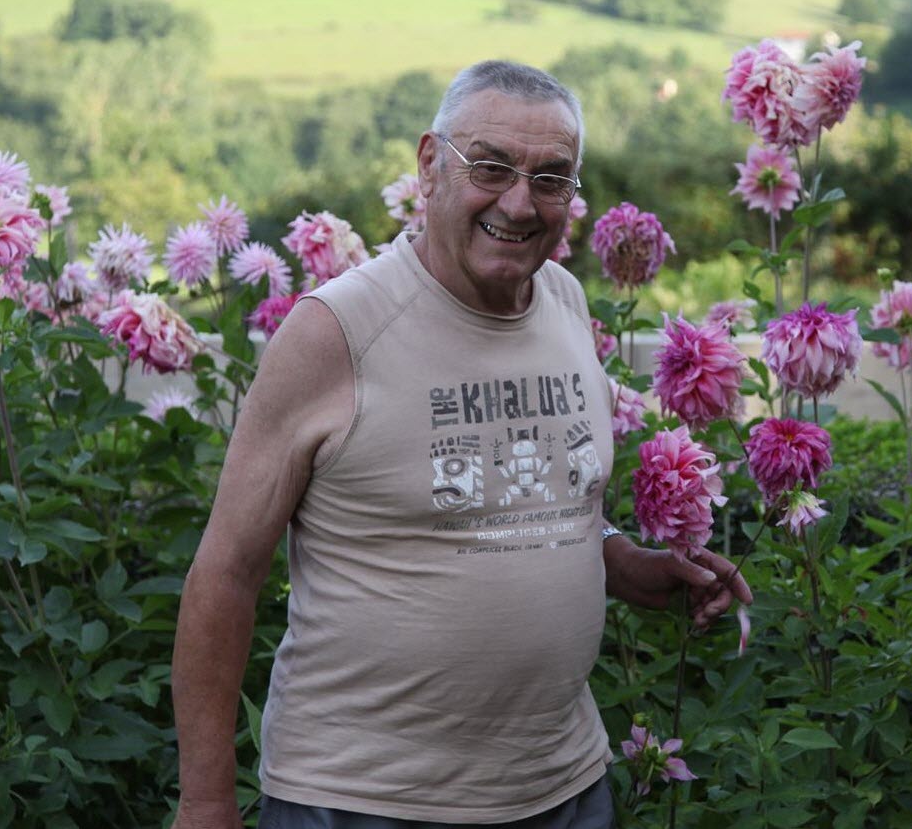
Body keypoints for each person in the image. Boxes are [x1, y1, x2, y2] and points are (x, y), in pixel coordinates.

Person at [170, 60, 752, 829]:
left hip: (565, 788)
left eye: (551, 179)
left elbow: (546, 499)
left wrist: (625, 561)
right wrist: (207, 802)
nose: (518, 202)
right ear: (428, 166)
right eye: (490, 168)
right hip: (363, 801)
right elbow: (226, 571)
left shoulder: (566, 305)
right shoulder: (334, 332)